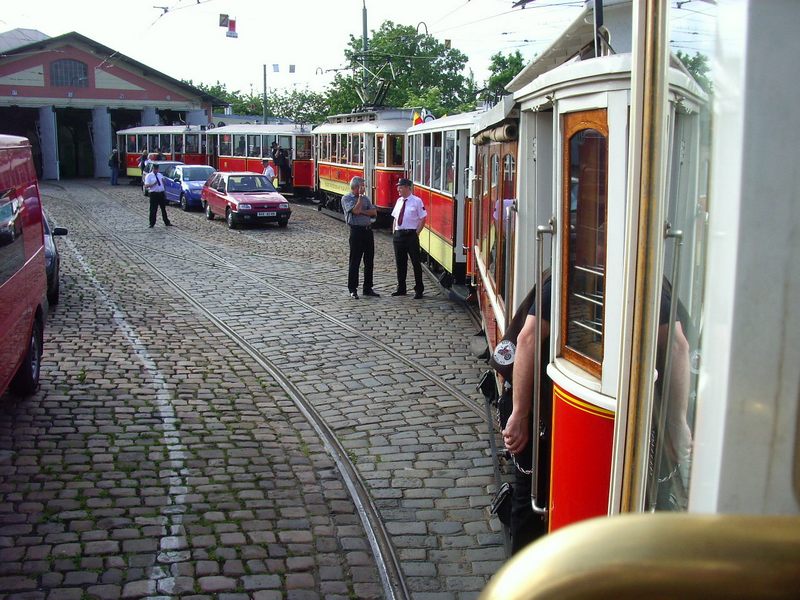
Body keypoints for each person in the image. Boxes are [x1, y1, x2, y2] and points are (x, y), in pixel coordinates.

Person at [502, 277, 552, 555]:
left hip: (536, 406)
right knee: (528, 497)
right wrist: (519, 414)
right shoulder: (564, 278)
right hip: (533, 411)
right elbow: (527, 338)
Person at [341, 176, 379, 299]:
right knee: (355, 261)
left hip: (367, 231)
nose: (364, 188)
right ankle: (352, 288)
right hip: (356, 232)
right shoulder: (346, 198)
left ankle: (368, 288)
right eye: (362, 186)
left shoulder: (366, 198)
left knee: (369, 261)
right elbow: (356, 211)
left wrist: (363, 211)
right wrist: (361, 200)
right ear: (356, 187)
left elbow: (374, 213)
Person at [391, 178, 426, 299]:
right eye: (398, 187)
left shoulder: (417, 201)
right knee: (400, 263)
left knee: (416, 262)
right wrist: (394, 232)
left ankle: (419, 289)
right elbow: (395, 218)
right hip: (399, 235)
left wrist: (417, 232)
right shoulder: (399, 201)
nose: (398, 189)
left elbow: (423, 218)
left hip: (411, 235)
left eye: (400, 187)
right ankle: (401, 288)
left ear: (407, 188)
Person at [144, 163, 172, 228]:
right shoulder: (149, 176)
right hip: (154, 194)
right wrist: (153, 184)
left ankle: (166, 222)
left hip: (161, 193)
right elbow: (146, 185)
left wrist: (164, 183)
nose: (156, 170)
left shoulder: (160, 175)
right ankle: (152, 223)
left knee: (163, 209)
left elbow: (163, 183)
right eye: (155, 169)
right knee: (153, 209)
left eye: (157, 169)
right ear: (153, 169)